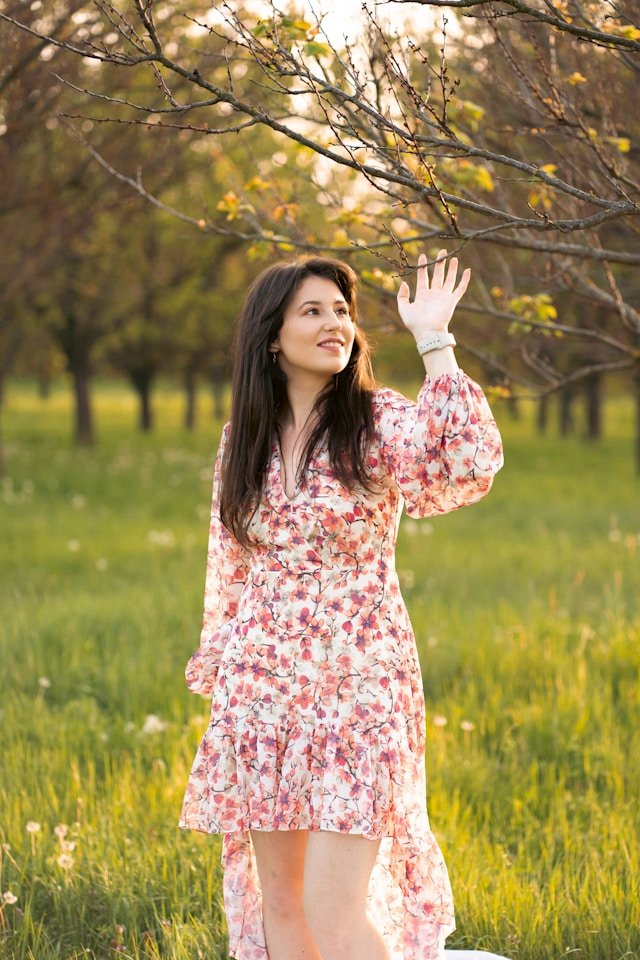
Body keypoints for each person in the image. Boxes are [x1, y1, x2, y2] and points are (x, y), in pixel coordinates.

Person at [178, 250, 504, 960]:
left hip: (358, 691)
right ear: (272, 335)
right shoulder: (242, 442)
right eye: (313, 311)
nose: (336, 324)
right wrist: (222, 673)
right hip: (263, 698)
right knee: (283, 912)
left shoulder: (375, 422)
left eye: (343, 311)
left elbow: (467, 465)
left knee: (333, 914)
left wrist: (435, 340)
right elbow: (230, 569)